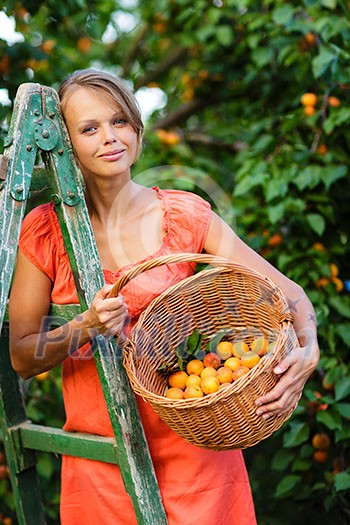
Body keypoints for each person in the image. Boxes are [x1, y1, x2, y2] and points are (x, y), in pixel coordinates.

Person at [9, 68, 320, 525]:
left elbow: (288, 294)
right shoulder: (45, 231)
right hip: (104, 461)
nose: (110, 138)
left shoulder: (184, 214)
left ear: (137, 128)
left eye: (119, 121)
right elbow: (22, 355)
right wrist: (85, 327)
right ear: (67, 143)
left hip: (200, 459)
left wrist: (309, 346)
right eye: (89, 128)